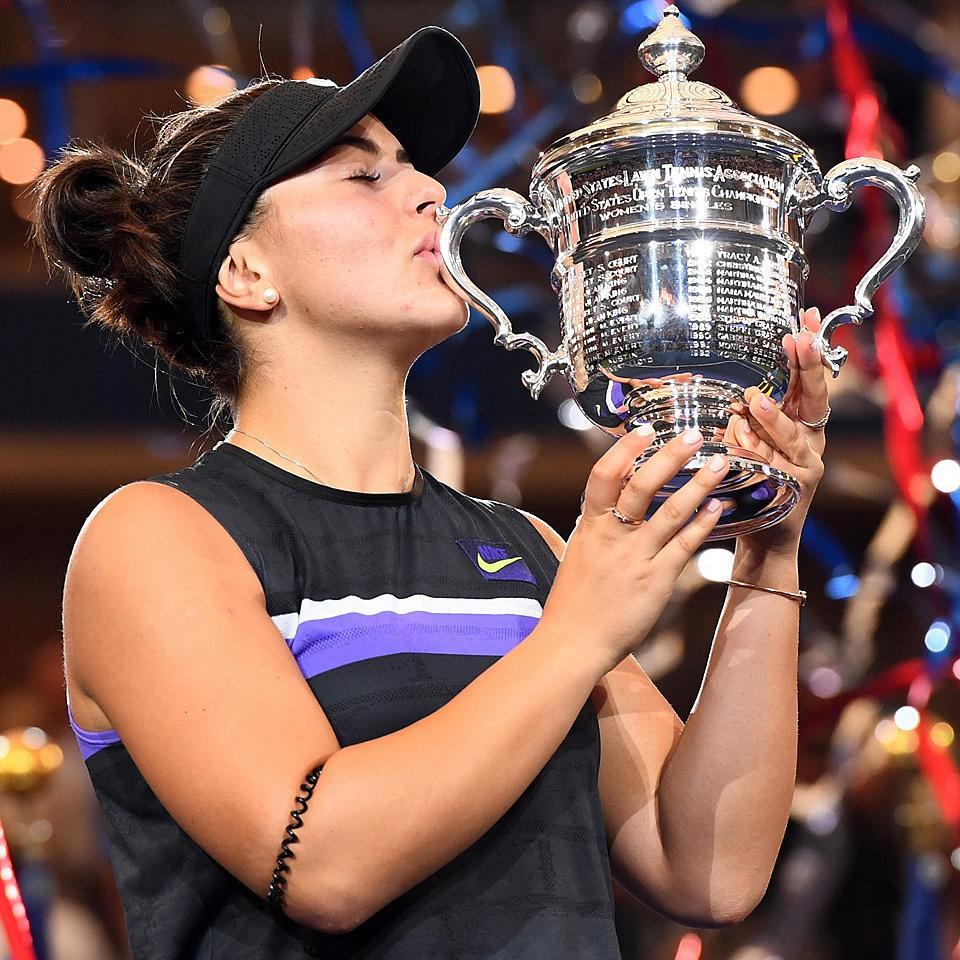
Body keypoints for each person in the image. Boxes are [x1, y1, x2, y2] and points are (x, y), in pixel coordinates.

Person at [29, 23, 831, 960]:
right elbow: (321, 863)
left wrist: (767, 544)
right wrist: (575, 635)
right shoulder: (160, 539)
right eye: (363, 175)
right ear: (245, 274)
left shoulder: (528, 549)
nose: (430, 192)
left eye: (413, 168)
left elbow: (708, 868)